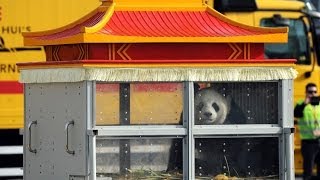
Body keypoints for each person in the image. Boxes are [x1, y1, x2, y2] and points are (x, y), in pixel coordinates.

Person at [294, 83, 320, 180]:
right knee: (308, 170)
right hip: (308, 142)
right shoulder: (301, 104)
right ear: (305, 92)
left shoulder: (319, 104)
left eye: (315, 92)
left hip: (319, 140)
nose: (313, 94)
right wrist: (305, 103)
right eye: (310, 92)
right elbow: (296, 114)